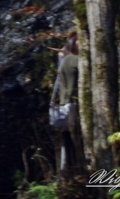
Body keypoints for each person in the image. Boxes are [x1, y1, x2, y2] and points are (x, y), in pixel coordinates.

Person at [52, 31, 79, 172]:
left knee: (67, 142)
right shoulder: (74, 60)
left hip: (65, 104)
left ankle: (67, 173)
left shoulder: (65, 59)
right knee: (76, 141)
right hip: (73, 104)